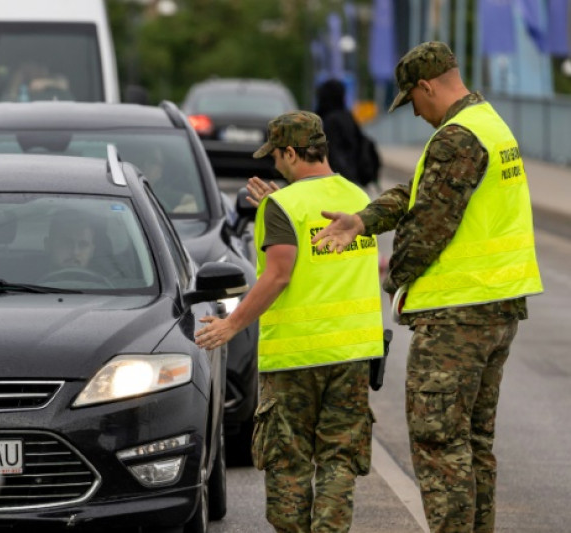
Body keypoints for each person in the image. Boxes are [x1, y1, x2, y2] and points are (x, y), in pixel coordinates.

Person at [311, 41, 543, 533]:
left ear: (427, 85)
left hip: (458, 316)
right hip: (497, 309)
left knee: (440, 444)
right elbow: (419, 192)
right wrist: (364, 220)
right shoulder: (489, 125)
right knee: (473, 443)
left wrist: (393, 278)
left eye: (412, 101)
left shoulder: (457, 137)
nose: (415, 113)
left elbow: (427, 227)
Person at [195, 111, 384, 532]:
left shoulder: (284, 206)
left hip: (296, 359)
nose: (273, 165)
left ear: (293, 152)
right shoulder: (357, 199)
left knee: (288, 461)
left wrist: (232, 324)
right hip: (353, 354)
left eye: (277, 155)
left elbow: (278, 275)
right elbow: (319, 242)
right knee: (339, 459)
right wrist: (278, 206)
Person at [315, 78, 364, 187]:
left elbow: (332, 152)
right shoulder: (348, 117)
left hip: (336, 181)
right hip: (353, 179)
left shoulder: (328, 121)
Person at [137, 145, 199, 214]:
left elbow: (196, 202)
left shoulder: (161, 193)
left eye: (160, 164)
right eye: (155, 161)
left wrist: (181, 210)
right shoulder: (130, 191)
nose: (160, 168)